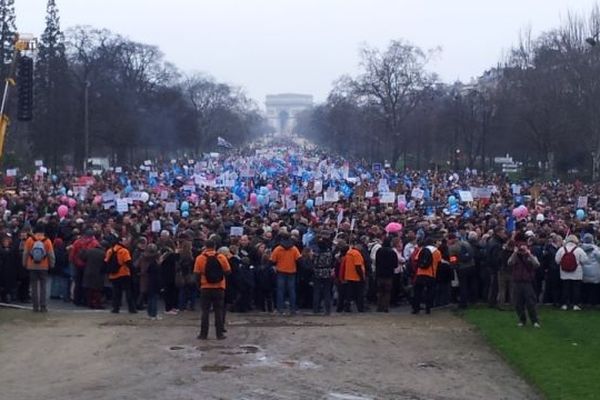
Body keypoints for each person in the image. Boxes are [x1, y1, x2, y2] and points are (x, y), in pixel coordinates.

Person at [194, 239, 231, 340]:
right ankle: (219, 334)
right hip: (219, 287)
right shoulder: (221, 257)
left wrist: (199, 285)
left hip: (205, 287)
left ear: (205, 246)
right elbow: (228, 272)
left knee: (205, 312)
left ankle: (203, 334)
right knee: (218, 311)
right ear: (215, 246)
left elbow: (196, 274)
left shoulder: (200, 258)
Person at [508, 233, 541, 328]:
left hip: (527, 282)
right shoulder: (516, 256)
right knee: (518, 303)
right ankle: (522, 320)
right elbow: (509, 263)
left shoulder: (530, 254)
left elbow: (537, 264)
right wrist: (515, 253)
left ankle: (535, 320)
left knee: (531, 302)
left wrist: (529, 254)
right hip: (517, 281)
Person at [22, 224, 55, 312]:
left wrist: (24, 263)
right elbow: (51, 254)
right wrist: (51, 264)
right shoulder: (47, 240)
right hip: (44, 266)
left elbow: (25, 253)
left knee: (33, 286)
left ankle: (35, 306)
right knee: (43, 287)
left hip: (32, 265)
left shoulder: (30, 240)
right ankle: (43, 306)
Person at [104, 235, 137, 314]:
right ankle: (131, 308)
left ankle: (115, 308)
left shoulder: (110, 250)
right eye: (125, 240)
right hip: (124, 273)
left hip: (113, 274)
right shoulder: (124, 251)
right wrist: (134, 272)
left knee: (116, 292)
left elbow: (106, 262)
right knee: (128, 291)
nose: (126, 242)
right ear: (120, 242)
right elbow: (128, 262)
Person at [270, 232, 301, 315]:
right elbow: (299, 259)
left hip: (281, 271)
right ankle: (293, 309)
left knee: (280, 291)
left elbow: (272, 260)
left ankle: (280, 309)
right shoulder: (294, 248)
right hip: (292, 271)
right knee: (292, 291)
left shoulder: (278, 249)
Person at [555, 235, 588, 311]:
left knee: (565, 288)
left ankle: (564, 304)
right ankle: (575, 304)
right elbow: (585, 260)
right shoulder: (579, 250)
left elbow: (557, 260)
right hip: (577, 272)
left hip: (564, 272)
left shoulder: (561, 249)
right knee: (576, 289)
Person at [70, 229, 100, 306]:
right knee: (87, 284)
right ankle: (86, 300)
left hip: (78, 265)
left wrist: (73, 262)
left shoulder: (77, 242)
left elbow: (72, 254)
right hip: (88, 266)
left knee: (78, 282)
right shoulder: (94, 243)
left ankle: (77, 300)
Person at [412, 238, 442, 315]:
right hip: (431, 274)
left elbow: (416, 260)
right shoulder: (437, 252)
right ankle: (428, 308)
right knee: (430, 291)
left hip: (420, 273)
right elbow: (439, 263)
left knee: (417, 292)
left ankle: (416, 308)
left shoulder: (422, 250)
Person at [340, 239, 366, 312]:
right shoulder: (357, 254)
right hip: (356, 277)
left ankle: (347, 308)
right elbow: (358, 266)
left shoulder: (348, 253)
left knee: (349, 294)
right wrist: (362, 277)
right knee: (359, 294)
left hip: (348, 276)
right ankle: (360, 308)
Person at [312, 233, 334, 315]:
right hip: (327, 272)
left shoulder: (316, 254)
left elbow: (314, 263)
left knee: (317, 291)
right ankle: (327, 309)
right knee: (327, 291)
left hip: (317, 272)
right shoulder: (329, 253)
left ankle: (315, 309)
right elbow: (332, 262)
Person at [81, 239, 106, 309]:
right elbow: (105, 264)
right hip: (98, 274)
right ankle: (97, 304)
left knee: (89, 289)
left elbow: (83, 258)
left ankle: (89, 303)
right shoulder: (103, 253)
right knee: (97, 290)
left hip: (88, 272)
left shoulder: (89, 251)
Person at [375, 237, 397, 312]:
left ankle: (379, 307)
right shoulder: (392, 252)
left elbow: (376, 261)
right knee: (387, 292)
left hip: (380, 274)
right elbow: (395, 264)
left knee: (380, 291)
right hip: (389, 274)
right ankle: (385, 307)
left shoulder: (379, 251)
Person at [579, 233, 600, 306]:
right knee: (594, 288)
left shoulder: (580, 248)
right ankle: (593, 302)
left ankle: (584, 302)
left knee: (585, 287)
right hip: (594, 272)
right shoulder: (596, 249)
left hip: (584, 271)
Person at [145, 244, 162, 320]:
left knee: (150, 298)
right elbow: (158, 275)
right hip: (154, 282)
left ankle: (149, 314)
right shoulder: (155, 264)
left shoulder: (147, 259)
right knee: (154, 298)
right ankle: (154, 314)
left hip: (148, 281)